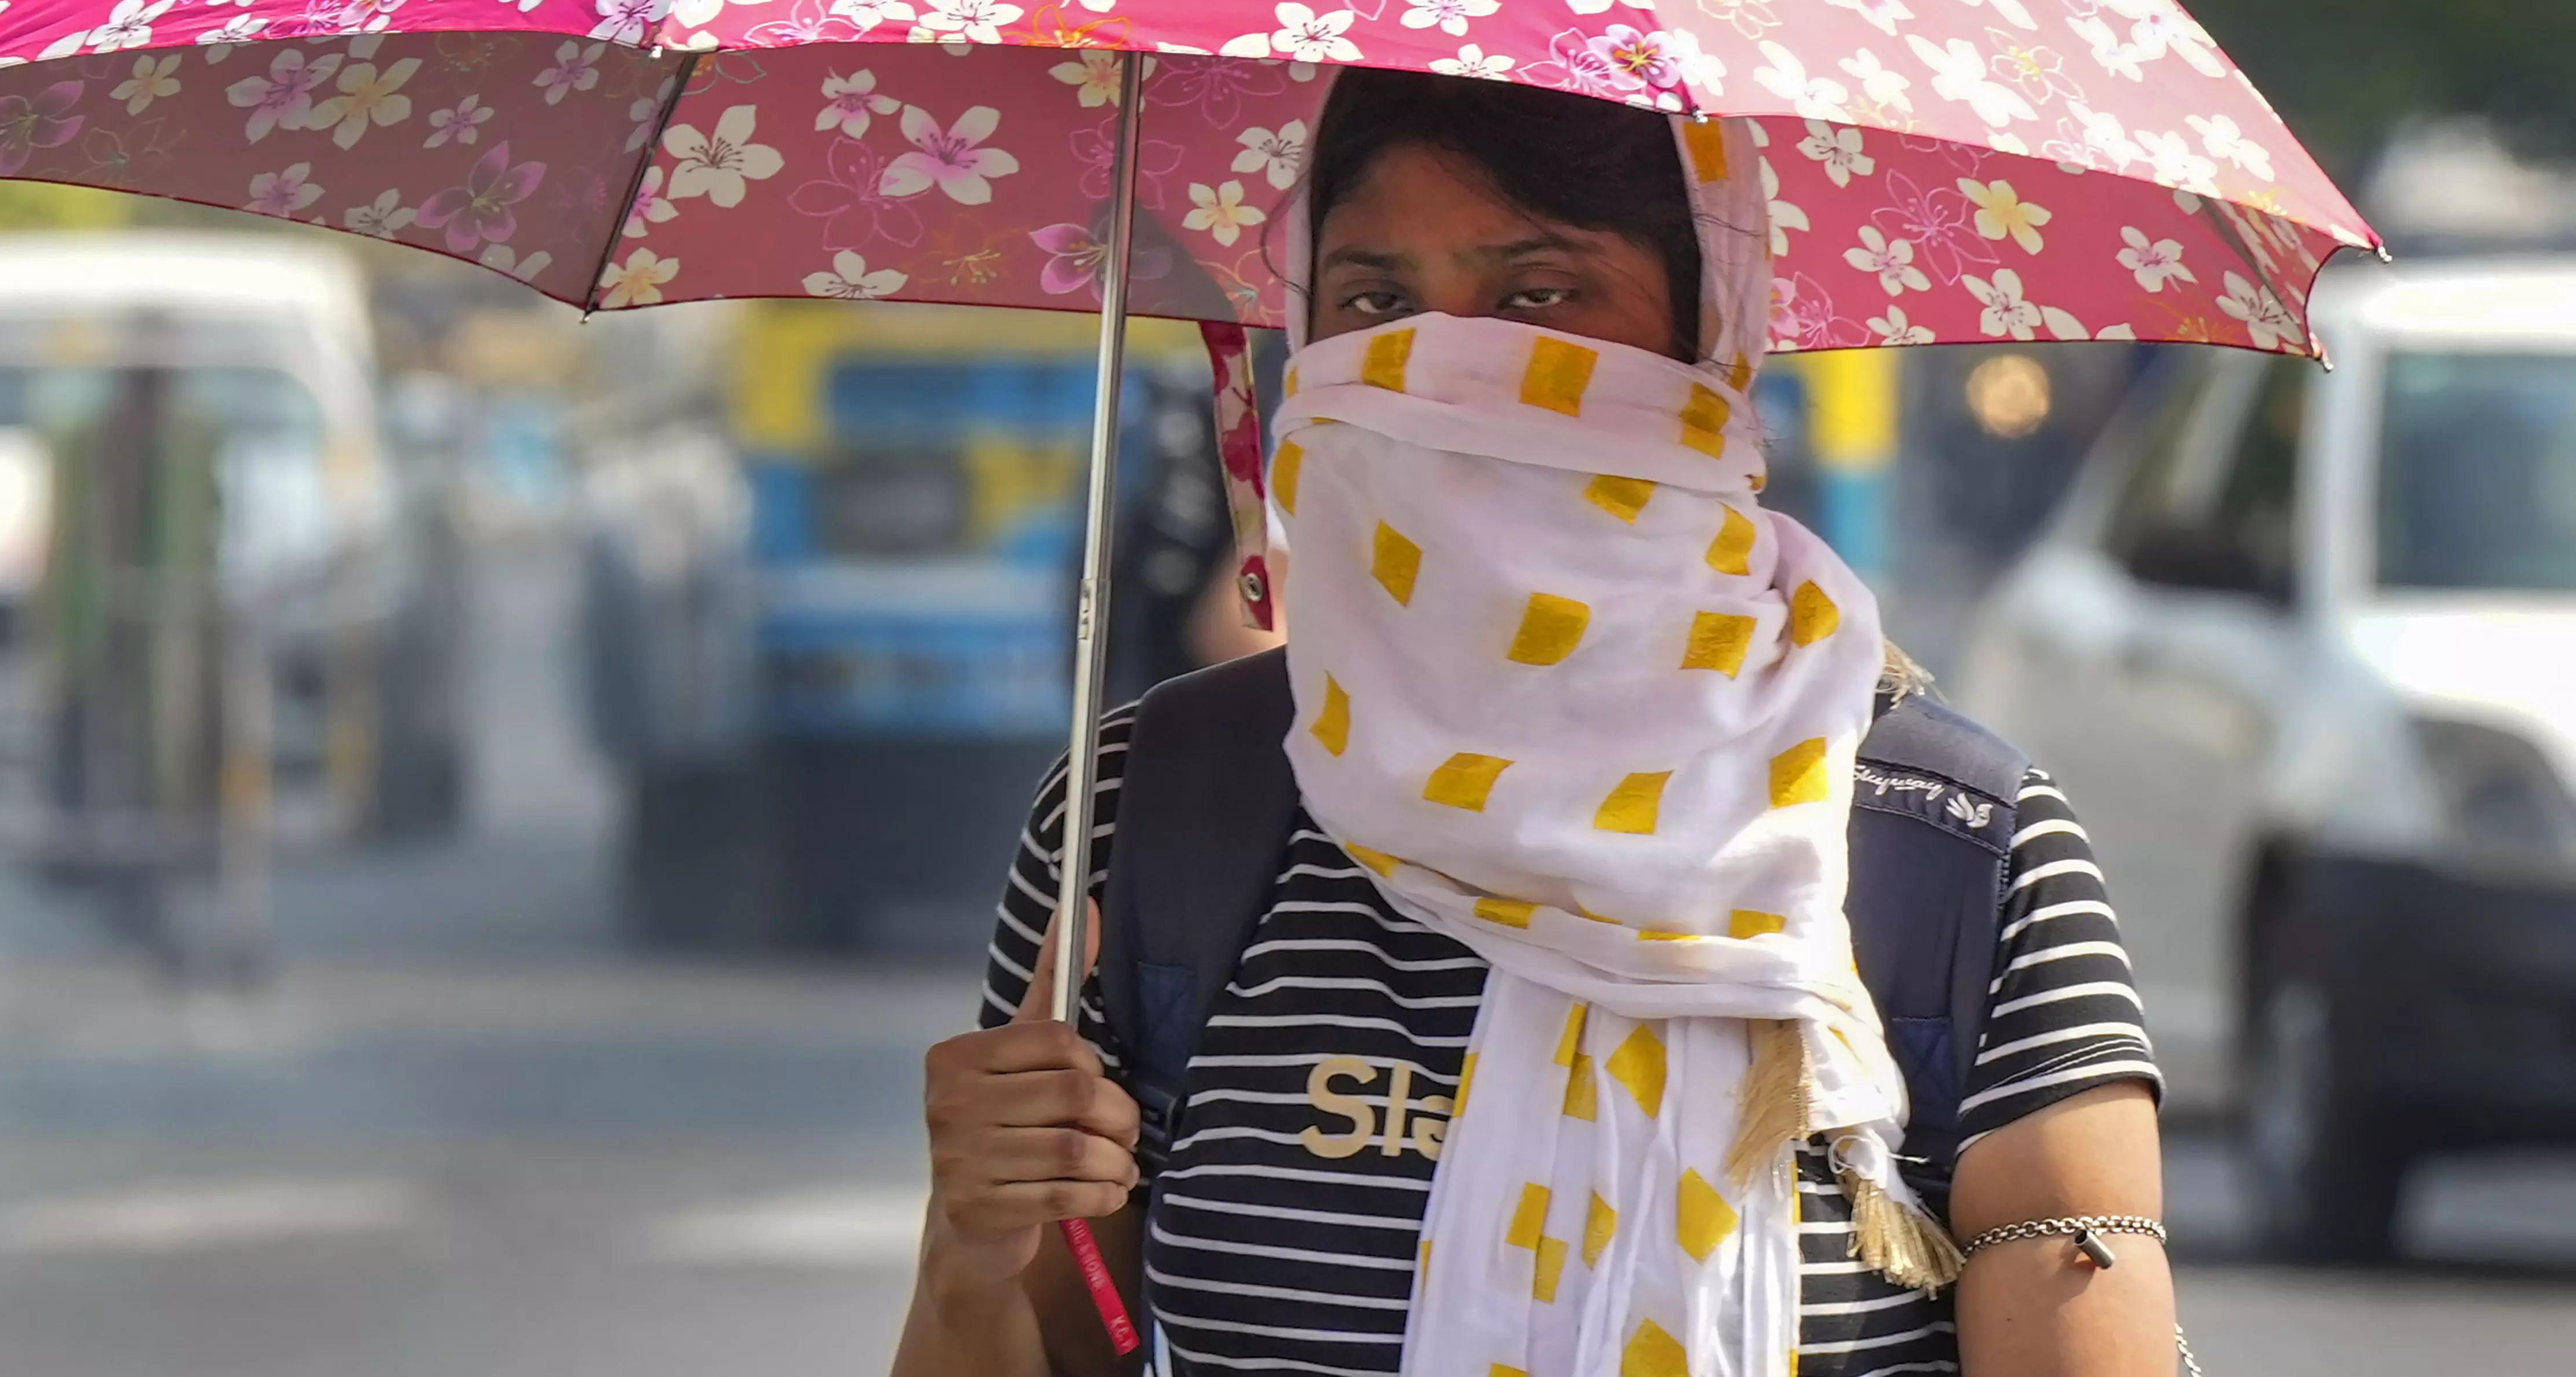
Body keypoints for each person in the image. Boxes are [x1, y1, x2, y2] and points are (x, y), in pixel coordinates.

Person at [895, 69, 2173, 1377]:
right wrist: (969, 1253)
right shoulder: (1146, 813)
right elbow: (1027, 1333)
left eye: (1538, 296)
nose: (1445, 366)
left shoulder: (1958, 851)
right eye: (1377, 303)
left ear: (1705, 336)